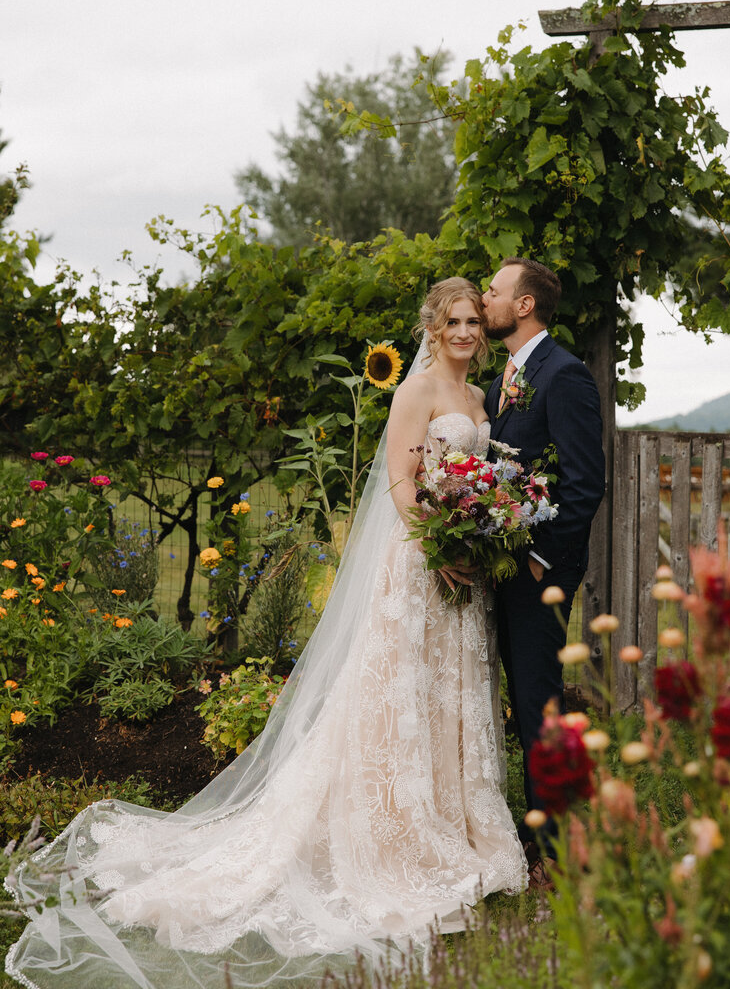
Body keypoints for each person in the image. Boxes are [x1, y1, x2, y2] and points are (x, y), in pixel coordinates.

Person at [6, 277, 527, 989]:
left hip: (462, 578)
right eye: (454, 322)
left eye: (472, 321)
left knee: (446, 694)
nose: (466, 332)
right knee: (400, 695)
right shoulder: (418, 391)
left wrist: (479, 532)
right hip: (420, 566)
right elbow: (402, 483)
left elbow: (473, 478)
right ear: (433, 329)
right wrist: (439, 547)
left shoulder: (479, 397)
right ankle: (393, 829)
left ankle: (454, 820)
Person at [482, 258, 605, 871]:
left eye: (494, 290)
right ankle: (530, 828)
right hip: (498, 570)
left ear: (524, 304)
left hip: (538, 573)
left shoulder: (565, 375)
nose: (485, 298)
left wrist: (538, 559)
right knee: (518, 700)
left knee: (539, 703)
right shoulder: (500, 381)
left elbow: (584, 484)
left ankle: (553, 850)